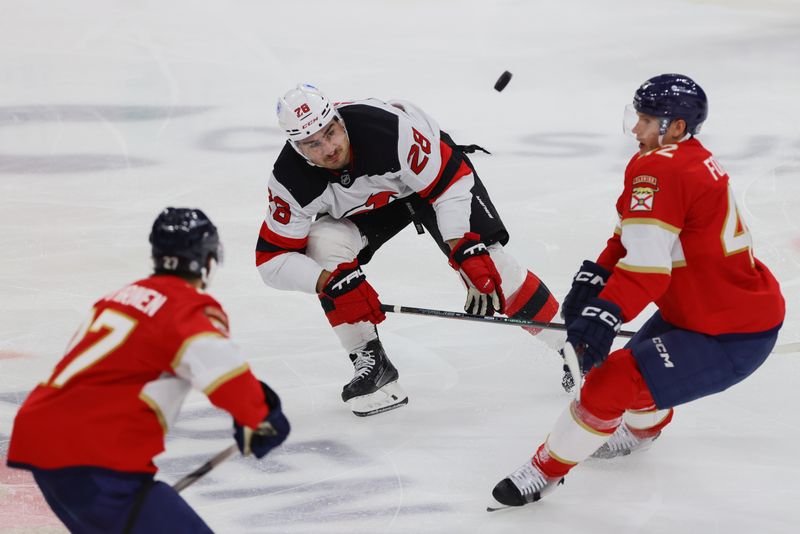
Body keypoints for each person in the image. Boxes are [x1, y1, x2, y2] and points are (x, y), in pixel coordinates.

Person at [491, 74, 785, 507]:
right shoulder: (680, 158)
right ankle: (641, 430)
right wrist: (596, 278)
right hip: (706, 311)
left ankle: (544, 472)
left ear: (677, 127)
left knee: (609, 384)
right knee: (632, 379)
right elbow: (631, 238)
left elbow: (649, 271)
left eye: (646, 120)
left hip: (729, 334)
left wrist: (607, 311)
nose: (635, 129)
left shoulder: (660, 169)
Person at [256, 84, 560, 417]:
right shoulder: (289, 181)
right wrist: (331, 283)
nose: (330, 148)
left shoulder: (387, 129)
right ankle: (374, 366)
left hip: (430, 184)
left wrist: (462, 245)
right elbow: (272, 261)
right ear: (297, 148)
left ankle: (573, 349)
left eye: (331, 132)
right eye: (313, 144)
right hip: (370, 207)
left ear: (339, 121)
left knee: (492, 267)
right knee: (322, 248)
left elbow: (449, 179)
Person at [7, 207, 290, 533]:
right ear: (207, 258)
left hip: (43, 444)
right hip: (95, 458)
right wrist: (259, 418)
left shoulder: (118, 298)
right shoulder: (186, 307)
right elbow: (219, 366)